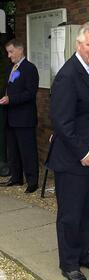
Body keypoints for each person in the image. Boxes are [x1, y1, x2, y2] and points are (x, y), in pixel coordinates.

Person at [46, 22, 89, 280]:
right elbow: (62, 121)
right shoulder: (68, 75)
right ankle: (69, 264)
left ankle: (83, 254)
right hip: (75, 161)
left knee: (88, 213)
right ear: (78, 44)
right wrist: (83, 151)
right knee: (70, 215)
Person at [0, 39, 39, 193]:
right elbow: (10, 88)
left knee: (27, 151)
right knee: (13, 150)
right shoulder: (13, 68)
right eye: (8, 52)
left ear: (20, 50)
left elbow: (30, 93)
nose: (9, 56)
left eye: (11, 52)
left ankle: (32, 182)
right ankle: (16, 177)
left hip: (24, 118)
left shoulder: (29, 68)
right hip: (11, 117)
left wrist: (11, 99)